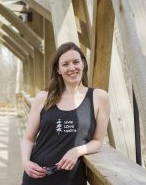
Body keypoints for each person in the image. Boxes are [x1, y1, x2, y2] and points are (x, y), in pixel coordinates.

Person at [21, 42, 111, 185]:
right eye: (65, 64)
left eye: (76, 62)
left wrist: (77, 151)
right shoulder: (43, 98)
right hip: (37, 174)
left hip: (71, 178)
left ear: (83, 64)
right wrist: (26, 162)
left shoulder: (99, 97)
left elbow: (98, 141)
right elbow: (28, 139)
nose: (72, 68)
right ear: (58, 69)